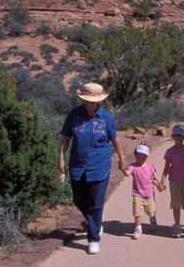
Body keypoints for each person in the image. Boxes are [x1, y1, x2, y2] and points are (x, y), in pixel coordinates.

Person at [58, 82, 127, 255]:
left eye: (93, 101)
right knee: (78, 200)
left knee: (95, 202)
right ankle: (95, 219)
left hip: (99, 165)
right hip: (78, 165)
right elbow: (66, 138)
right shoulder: (74, 115)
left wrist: (122, 158)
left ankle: (94, 238)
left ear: (99, 101)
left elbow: (115, 140)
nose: (90, 104)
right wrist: (60, 157)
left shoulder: (106, 118)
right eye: (87, 101)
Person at [160, 125, 184, 238]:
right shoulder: (170, 152)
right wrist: (162, 182)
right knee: (176, 204)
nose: (178, 137)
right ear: (173, 137)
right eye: (176, 135)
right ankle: (177, 225)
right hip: (174, 181)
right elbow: (166, 168)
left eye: (181, 135)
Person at [124, 143, 161, 239]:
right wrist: (122, 167)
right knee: (137, 212)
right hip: (137, 194)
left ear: (147, 156)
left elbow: (153, 179)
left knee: (150, 211)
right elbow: (127, 173)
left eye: (143, 156)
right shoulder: (133, 166)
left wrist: (158, 185)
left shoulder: (150, 167)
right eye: (139, 155)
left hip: (149, 194)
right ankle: (138, 229)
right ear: (135, 155)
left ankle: (152, 219)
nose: (141, 158)